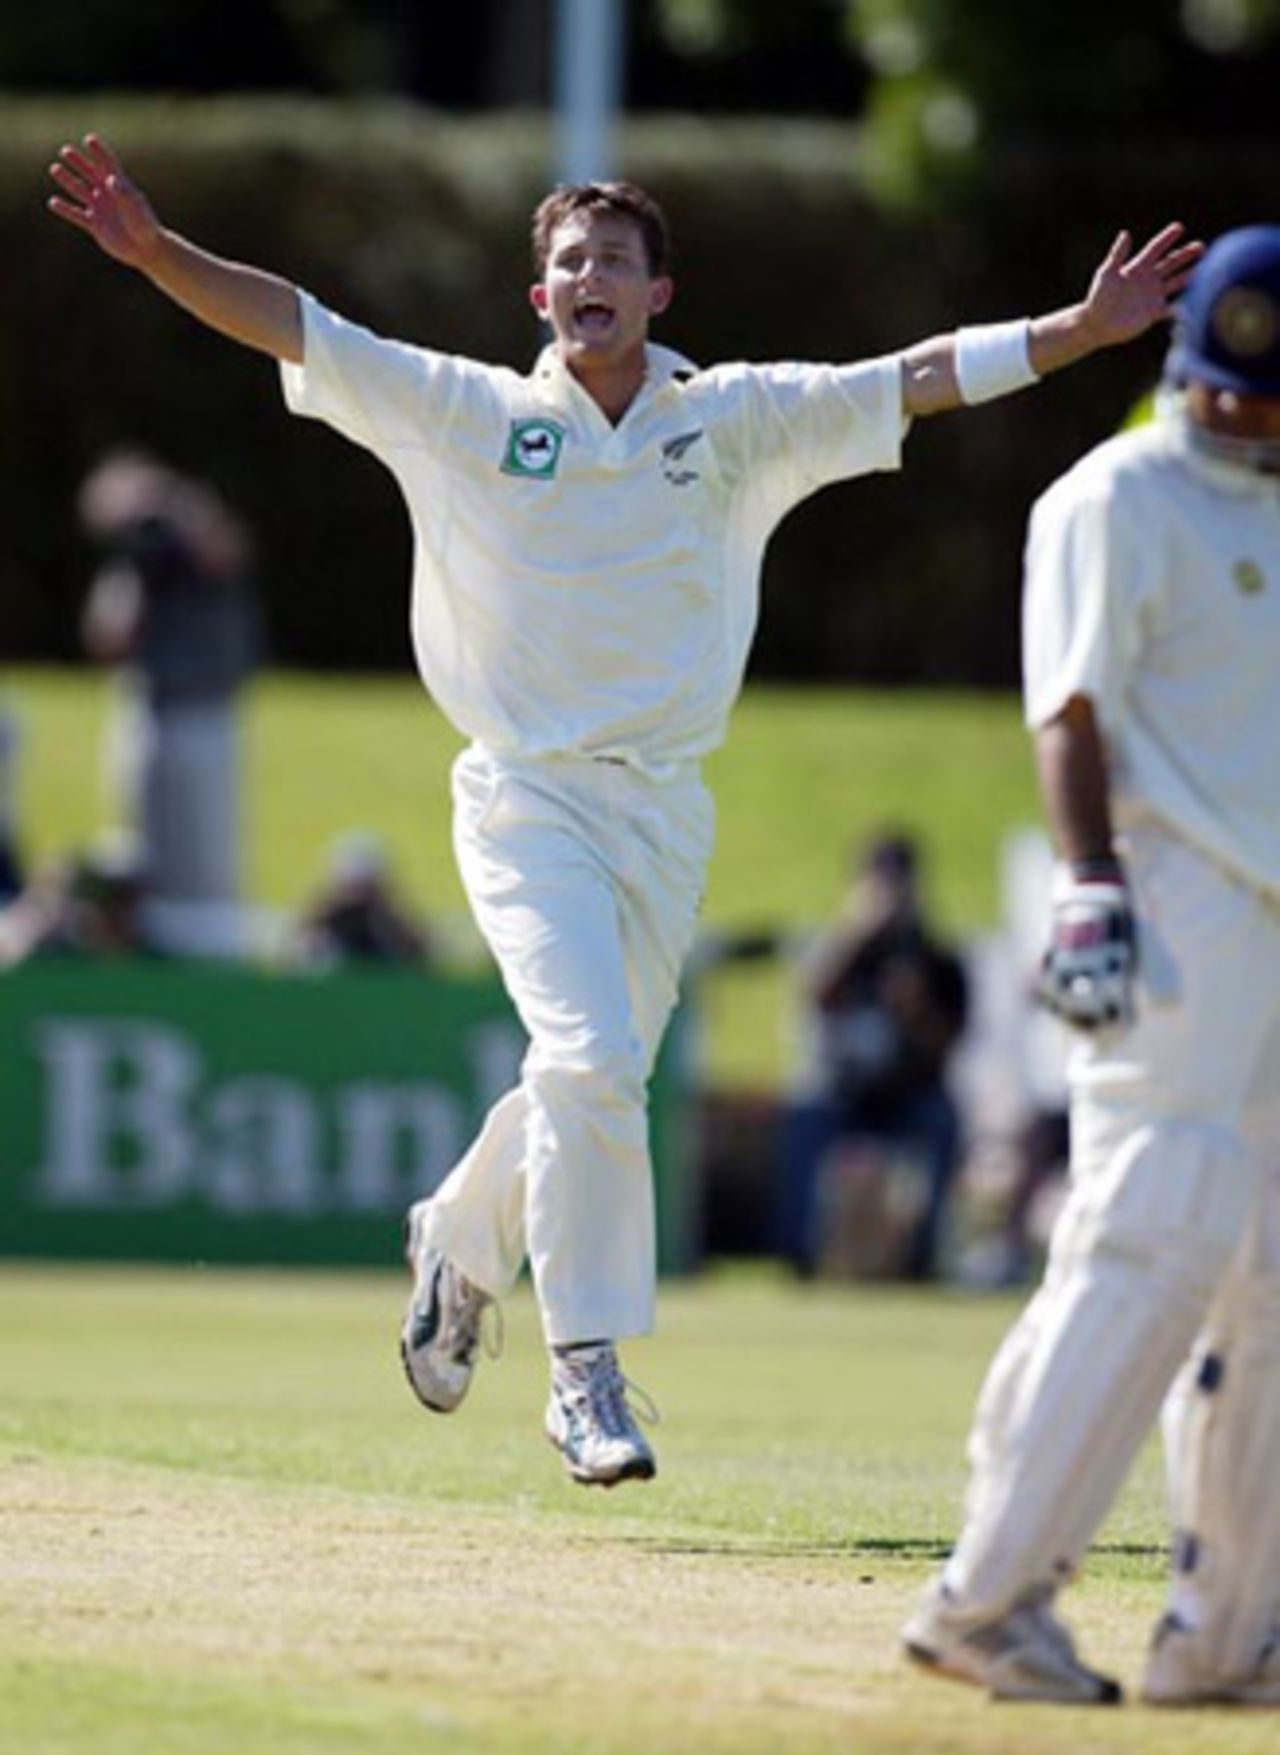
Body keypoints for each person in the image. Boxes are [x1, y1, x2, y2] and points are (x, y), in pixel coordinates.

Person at [48, 132, 1199, 1491]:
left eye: (614, 258)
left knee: (589, 1079)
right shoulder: (469, 411)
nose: (589, 274)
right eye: (567, 260)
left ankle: (460, 1240)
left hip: (665, 812)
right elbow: (299, 320)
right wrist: (155, 251)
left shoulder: (739, 419)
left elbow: (921, 375)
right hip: (525, 794)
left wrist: (1078, 329)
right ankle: (585, 1366)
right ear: (541, 298)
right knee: (591, 1057)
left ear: (662, 292)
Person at [901, 226, 1280, 1706]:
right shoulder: (1114, 495)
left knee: (1265, 1269)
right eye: (1227, 396)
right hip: (1172, 896)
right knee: (1152, 1232)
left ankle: (1229, 1626)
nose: (1245, 425)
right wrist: (1090, 885)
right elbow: (1069, 711)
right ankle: (988, 1597)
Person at [78, 447, 262, 954]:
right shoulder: (136, 562)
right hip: (146, 708)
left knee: (208, 859)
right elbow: (108, 637)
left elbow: (225, 553)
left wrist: (177, 506)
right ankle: (149, 953)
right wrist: (130, 540)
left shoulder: (199, 533)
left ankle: (213, 959)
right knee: (142, 855)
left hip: (207, 714)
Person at [784, 832, 968, 1279]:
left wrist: (915, 1012)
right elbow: (813, 997)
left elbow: (949, 1046)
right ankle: (797, 1255)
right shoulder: (842, 950)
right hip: (844, 1091)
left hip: (910, 1093)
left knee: (942, 1122)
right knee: (805, 1119)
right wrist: (856, 933)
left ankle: (921, 1259)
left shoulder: (937, 958)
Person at [290, 831, 432, 969]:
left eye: (366, 891)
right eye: (353, 890)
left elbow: (424, 954)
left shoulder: (391, 924)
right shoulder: (321, 923)